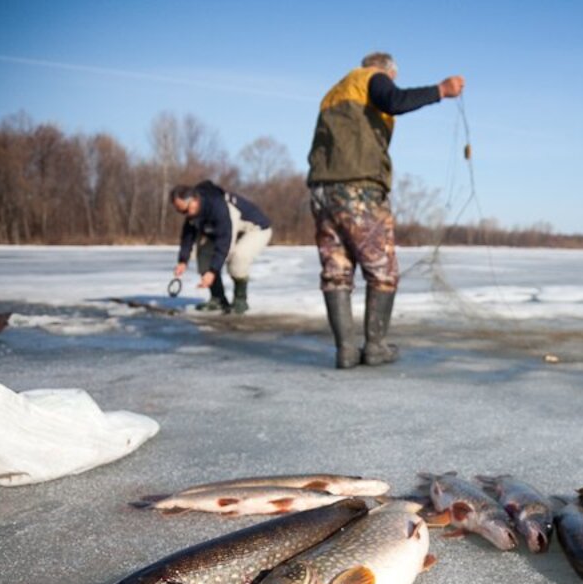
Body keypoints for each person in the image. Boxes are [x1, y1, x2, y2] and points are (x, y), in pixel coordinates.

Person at [307, 52, 464, 368]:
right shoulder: (370, 79)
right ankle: (375, 347)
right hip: (358, 189)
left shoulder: (333, 91)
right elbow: (393, 100)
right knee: (382, 271)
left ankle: (346, 351)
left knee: (336, 271)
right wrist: (440, 91)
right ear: (388, 71)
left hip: (322, 190)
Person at [170, 181, 273, 314]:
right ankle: (218, 299)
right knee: (203, 254)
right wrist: (183, 261)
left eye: (184, 209)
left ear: (194, 200)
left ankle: (240, 300)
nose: (184, 214)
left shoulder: (220, 208)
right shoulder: (193, 212)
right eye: (180, 211)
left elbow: (225, 242)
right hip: (226, 233)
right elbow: (188, 236)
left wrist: (212, 271)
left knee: (238, 258)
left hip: (256, 229)